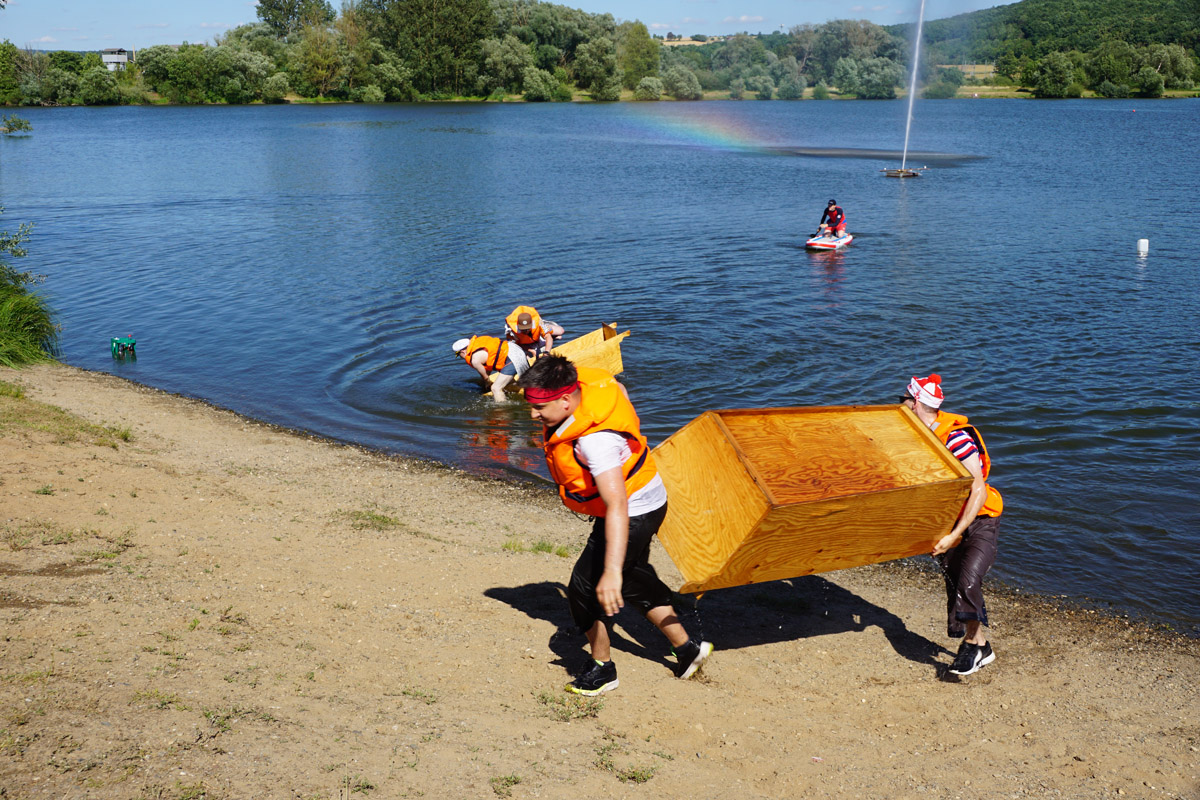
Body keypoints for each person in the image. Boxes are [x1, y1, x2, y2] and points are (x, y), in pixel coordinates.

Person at [521, 354, 712, 695]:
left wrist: (609, 571)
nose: (533, 415)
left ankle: (602, 669)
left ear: (566, 400)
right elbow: (619, 389)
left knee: (585, 588)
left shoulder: (595, 442)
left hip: (633, 510)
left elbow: (617, 505)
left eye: (539, 407)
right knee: (630, 579)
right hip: (649, 495)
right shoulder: (589, 384)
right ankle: (687, 650)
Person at [902, 374, 1003, 676]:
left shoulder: (955, 438)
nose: (899, 405)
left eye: (903, 400)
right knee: (957, 582)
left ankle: (971, 647)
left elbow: (978, 490)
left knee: (969, 580)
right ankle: (981, 645)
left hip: (982, 518)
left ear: (915, 402)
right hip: (948, 520)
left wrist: (955, 535)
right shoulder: (917, 436)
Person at [503, 306, 564, 376]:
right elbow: (516, 347)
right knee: (526, 359)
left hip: (537, 335)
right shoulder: (512, 331)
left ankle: (548, 329)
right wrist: (531, 351)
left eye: (527, 329)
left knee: (561, 331)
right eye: (523, 329)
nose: (525, 331)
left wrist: (546, 353)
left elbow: (548, 337)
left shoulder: (537, 323)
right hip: (524, 344)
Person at [452, 335, 516, 401]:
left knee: (495, 388)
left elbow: (486, 378)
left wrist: (487, 384)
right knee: (508, 381)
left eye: (459, 355)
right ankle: (516, 386)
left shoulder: (474, 360)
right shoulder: (478, 344)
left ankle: (503, 407)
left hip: (512, 359)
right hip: (515, 349)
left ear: (463, 351)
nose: (461, 357)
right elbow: (489, 366)